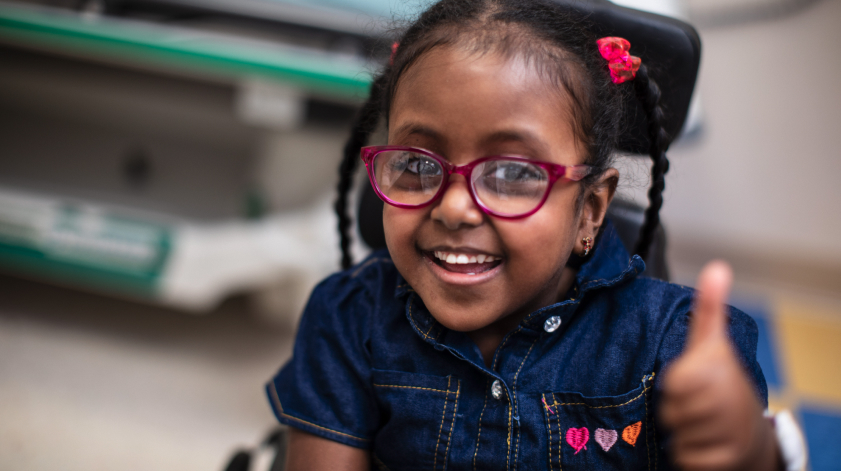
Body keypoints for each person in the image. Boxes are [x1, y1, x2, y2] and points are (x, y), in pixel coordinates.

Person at [266, 1, 799, 469]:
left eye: (515, 174)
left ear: (590, 209)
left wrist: (750, 449)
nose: (453, 207)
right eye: (414, 162)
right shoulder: (348, 319)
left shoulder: (676, 346)